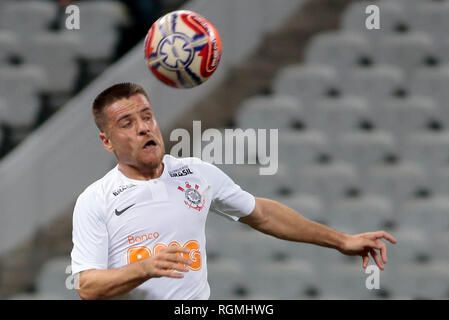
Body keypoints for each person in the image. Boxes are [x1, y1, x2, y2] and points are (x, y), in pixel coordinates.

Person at [71, 82, 397, 300]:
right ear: (107, 141)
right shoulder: (96, 199)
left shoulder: (196, 173)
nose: (143, 127)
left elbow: (264, 215)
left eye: (147, 116)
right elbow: (86, 286)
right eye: (127, 123)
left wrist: (342, 240)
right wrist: (143, 268)